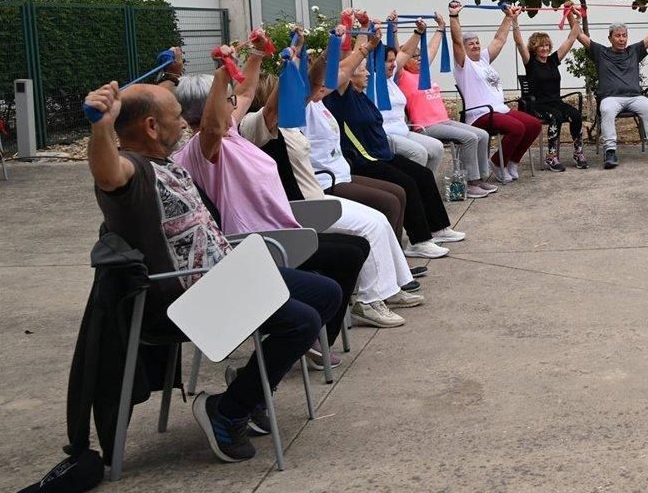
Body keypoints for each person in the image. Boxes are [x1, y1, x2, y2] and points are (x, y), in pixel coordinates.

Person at [84, 77, 342, 464]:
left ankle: (246, 390)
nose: (187, 123)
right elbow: (107, 174)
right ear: (152, 127)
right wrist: (101, 125)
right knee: (300, 321)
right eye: (175, 116)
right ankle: (227, 412)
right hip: (186, 297)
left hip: (226, 276)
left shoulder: (165, 162)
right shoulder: (133, 172)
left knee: (328, 293)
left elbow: (224, 112)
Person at [171, 37, 373, 360]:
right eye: (227, 99)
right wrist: (223, 72)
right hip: (259, 243)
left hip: (279, 232)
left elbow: (249, 92)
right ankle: (308, 340)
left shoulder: (231, 131)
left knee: (355, 247)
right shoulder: (200, 149)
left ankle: (313, 339)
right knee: (347, 256)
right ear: (207, 109)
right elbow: (210, 127)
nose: (235, 102)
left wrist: (255, 56)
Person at [245, 67, 420, 330]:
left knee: (380, 219)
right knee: (370, 227)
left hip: (317, 198)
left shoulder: (289, 123)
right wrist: (289, 67)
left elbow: (313, 84)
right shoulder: (261, 127)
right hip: (304, 206)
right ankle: (368, 301)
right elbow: (277, 107)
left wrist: (322, 55)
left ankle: (388, 288)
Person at [318, 27, 463, 260]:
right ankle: (419, 241)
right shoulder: (341, 97)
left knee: (423, 175)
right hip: (364, 159)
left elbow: (379, 56)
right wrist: (349, 33)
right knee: (406, 183)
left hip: (381, 153)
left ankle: (439, 228)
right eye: (362, 71)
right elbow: (350, 59)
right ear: (347, 76)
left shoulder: (362, 92)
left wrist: (364, 28)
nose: (367, 74)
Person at [394, 13, 497, 197]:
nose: (418, 58)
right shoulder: (402, 76)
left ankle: (480, 178)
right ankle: (470, 183)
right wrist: (393, 29)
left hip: (443, 120)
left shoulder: (423, 72)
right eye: (414, 55)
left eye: (420, 55)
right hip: (426, 126)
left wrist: (441, 27)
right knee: (469, 138)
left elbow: (432, 48)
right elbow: (399, 53)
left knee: (482, 134)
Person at [447, 2, 543, 181]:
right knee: (517, 128)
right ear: (465, 49)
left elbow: (499, 39)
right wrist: (454, 17)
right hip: (479, 114)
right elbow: (456, 41)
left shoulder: (483, 59)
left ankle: (512, 161)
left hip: (500, 110)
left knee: (533, 125)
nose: (475, 46)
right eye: (470, 44)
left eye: (477, 43)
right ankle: (497, 163)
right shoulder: (464, 65)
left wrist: (509, 17)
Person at [572, 8, 648, 169]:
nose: (622, 39)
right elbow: (579, 35)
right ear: (610, 38)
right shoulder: (600, 52)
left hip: (635, 97)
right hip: (611, 98)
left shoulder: (634, 51)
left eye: (624, 35)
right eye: (618, 36)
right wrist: (571, 16)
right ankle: (610, 152)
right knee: (606, 110)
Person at [514, 12, 586, 171]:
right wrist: (514, 20)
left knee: (575, 115)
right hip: (537, 105)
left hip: (555, 102)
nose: (545, 48)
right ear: (534, 48)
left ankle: (578, 152)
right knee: (556, 117)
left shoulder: (553, 60)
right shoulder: (530, 63)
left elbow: (571, 38)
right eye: (541, 46)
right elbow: (519, 43)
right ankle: (551, 156)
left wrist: (577, 19)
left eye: (547, 45)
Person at [379, 13, 444, 180]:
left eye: (394, 61)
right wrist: (388, 30)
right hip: (386, 136)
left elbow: (406, 51)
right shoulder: (371, 79)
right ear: (378, 63)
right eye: (388, 61)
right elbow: (405, 52)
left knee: (436, 148)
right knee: (419, 153)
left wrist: (419, 32)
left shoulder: (391, 78)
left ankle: (427, 188)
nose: (393, 64)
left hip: (403, 132)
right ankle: (412, 192)